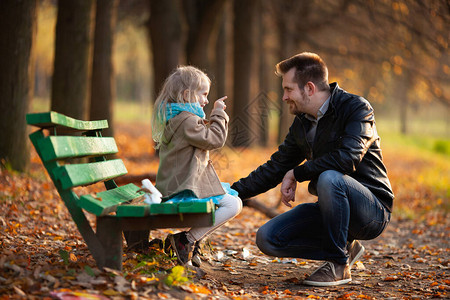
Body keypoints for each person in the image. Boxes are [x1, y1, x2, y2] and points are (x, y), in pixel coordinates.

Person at [231, 52, 394, 286]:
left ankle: (338, 265)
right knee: (267, 238)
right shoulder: (303, 123)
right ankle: (345, 248)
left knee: (330, 178)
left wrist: (298, 173)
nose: (284, 97)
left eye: (288, 89)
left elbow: (348, 159)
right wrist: (230, 193)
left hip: (372, 211)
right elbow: (275, 167)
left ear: (309, 88)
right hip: (332, 209)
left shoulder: (356, 108)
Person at [152, 66, 242, 266]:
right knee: (232, 204)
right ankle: (185, 241)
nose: (207, 100)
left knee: (228, 200)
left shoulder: (179, 118)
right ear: (187, 95)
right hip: (181, 188)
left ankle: (194, 242)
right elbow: (215, 139)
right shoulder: (186, 121)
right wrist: (218, 114)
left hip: (179, 183)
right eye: (204, 94)